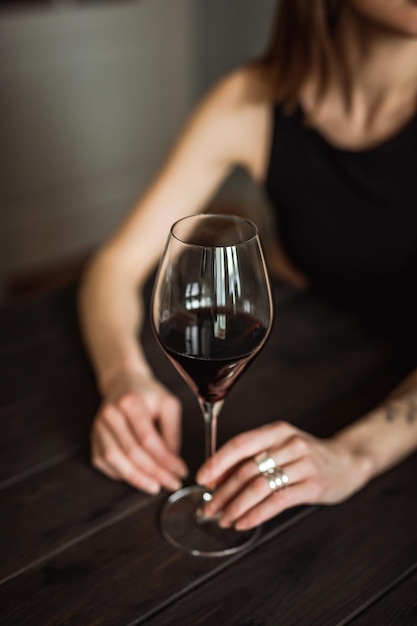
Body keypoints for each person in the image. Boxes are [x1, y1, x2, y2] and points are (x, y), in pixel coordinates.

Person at [78, 0, 417, 531]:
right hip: (326, 366)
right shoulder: (253, 99)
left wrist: (355, 455)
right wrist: (122, 376)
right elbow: (115, 266)